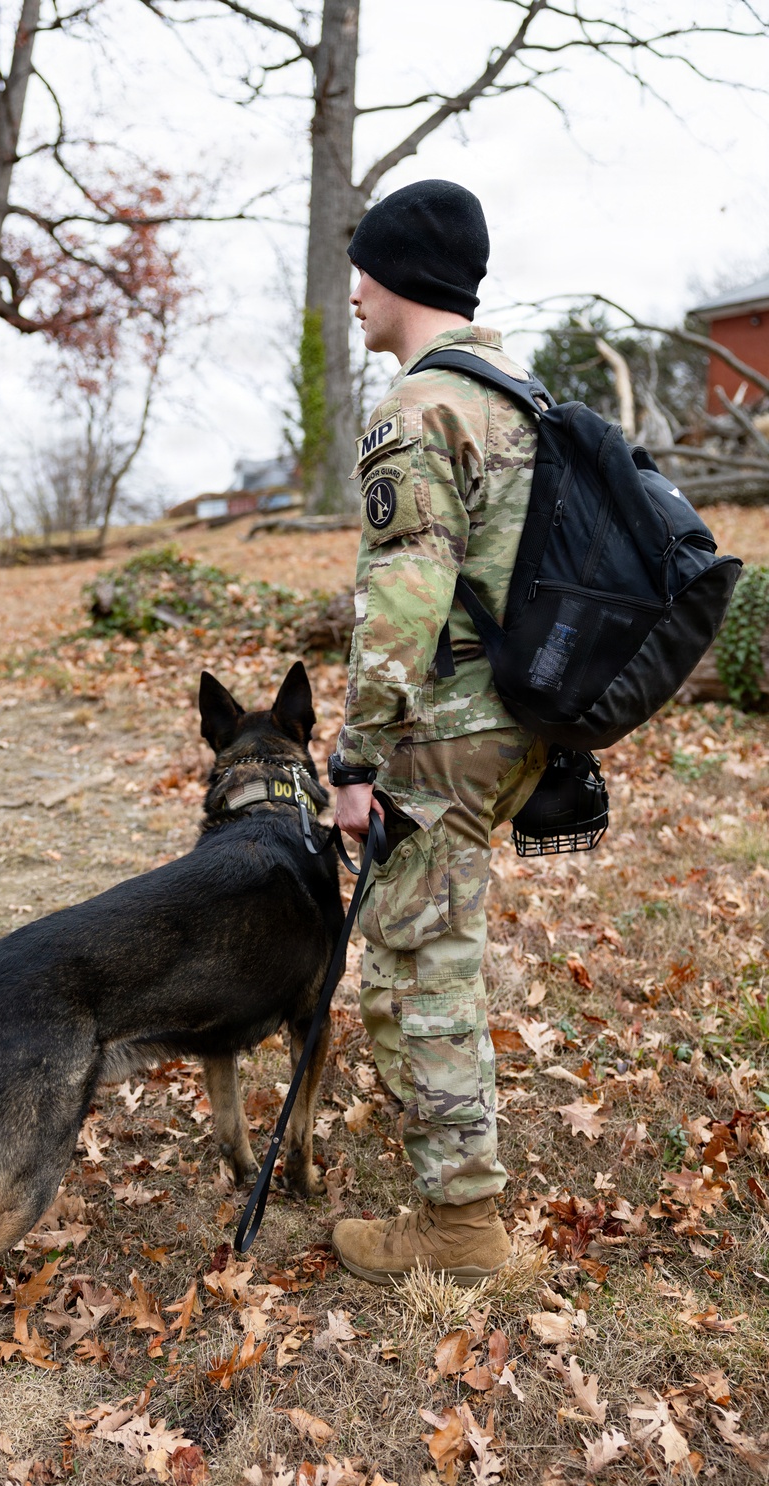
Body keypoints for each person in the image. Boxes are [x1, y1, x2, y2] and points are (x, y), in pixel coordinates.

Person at [328, 179, 547, 1286]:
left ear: (401, 275)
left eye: (362, 271)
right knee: (414, 952)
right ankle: (443, 1175)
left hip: (446, 732)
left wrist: (354, 759)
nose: (353, 293)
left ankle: (461, 1232)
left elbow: (403, 606)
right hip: (517, 724)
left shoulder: (420, 410)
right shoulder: (519, 396)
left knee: (427, 969)